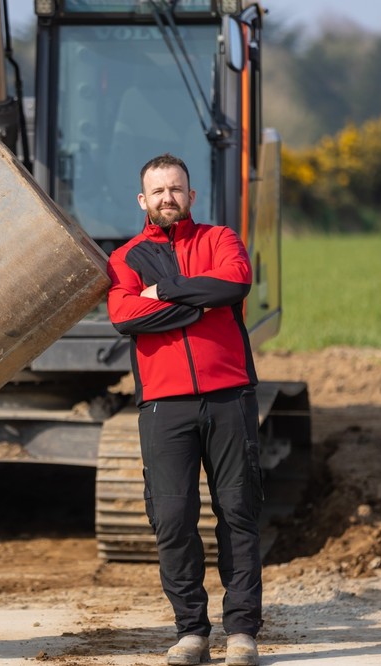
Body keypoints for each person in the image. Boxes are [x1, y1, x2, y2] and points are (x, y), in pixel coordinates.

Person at [106, 153, 263, 666]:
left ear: (191, 195)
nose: (167, 198)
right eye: (157, 191)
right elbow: (127, 315)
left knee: (238, 513)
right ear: (142, 200)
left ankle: (241, 632)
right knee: (172, 518)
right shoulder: (125, 257)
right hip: (163, 405)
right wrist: (200, 301)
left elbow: (235, 283)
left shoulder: (221, 240)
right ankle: (191, 631)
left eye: (176, 189)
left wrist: (167, 292)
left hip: (229, 395)